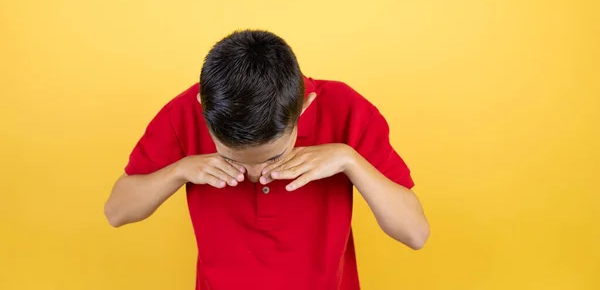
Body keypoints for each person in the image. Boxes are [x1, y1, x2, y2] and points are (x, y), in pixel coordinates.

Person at [104, 29, 429, 290]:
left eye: (274, 156)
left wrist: (350, 160)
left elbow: (415, 234)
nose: (256, 174)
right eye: (233, 158)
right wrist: (179, 171)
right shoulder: (182, 113)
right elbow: (117, 212)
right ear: (202, 107)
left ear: (304, 107)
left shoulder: (347, 109)